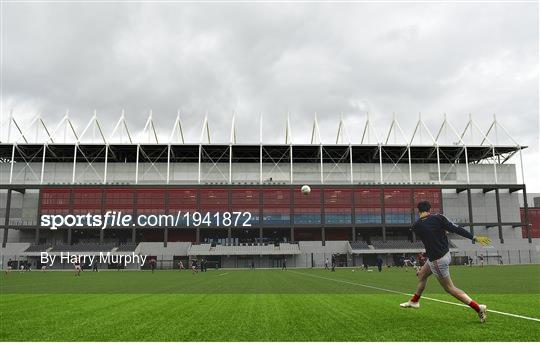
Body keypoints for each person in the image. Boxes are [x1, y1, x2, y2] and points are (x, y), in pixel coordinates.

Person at [400, 201, 491, 323]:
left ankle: (478, 308)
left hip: (437, 260)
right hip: (444, 254)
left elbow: (426, 236)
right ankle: (415, 301)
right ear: (430, 209)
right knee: (422, 275)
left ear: (418, 211)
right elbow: (456, 228)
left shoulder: (416, 226)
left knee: (449, 288)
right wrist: (473, 237)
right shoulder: (439, 217)